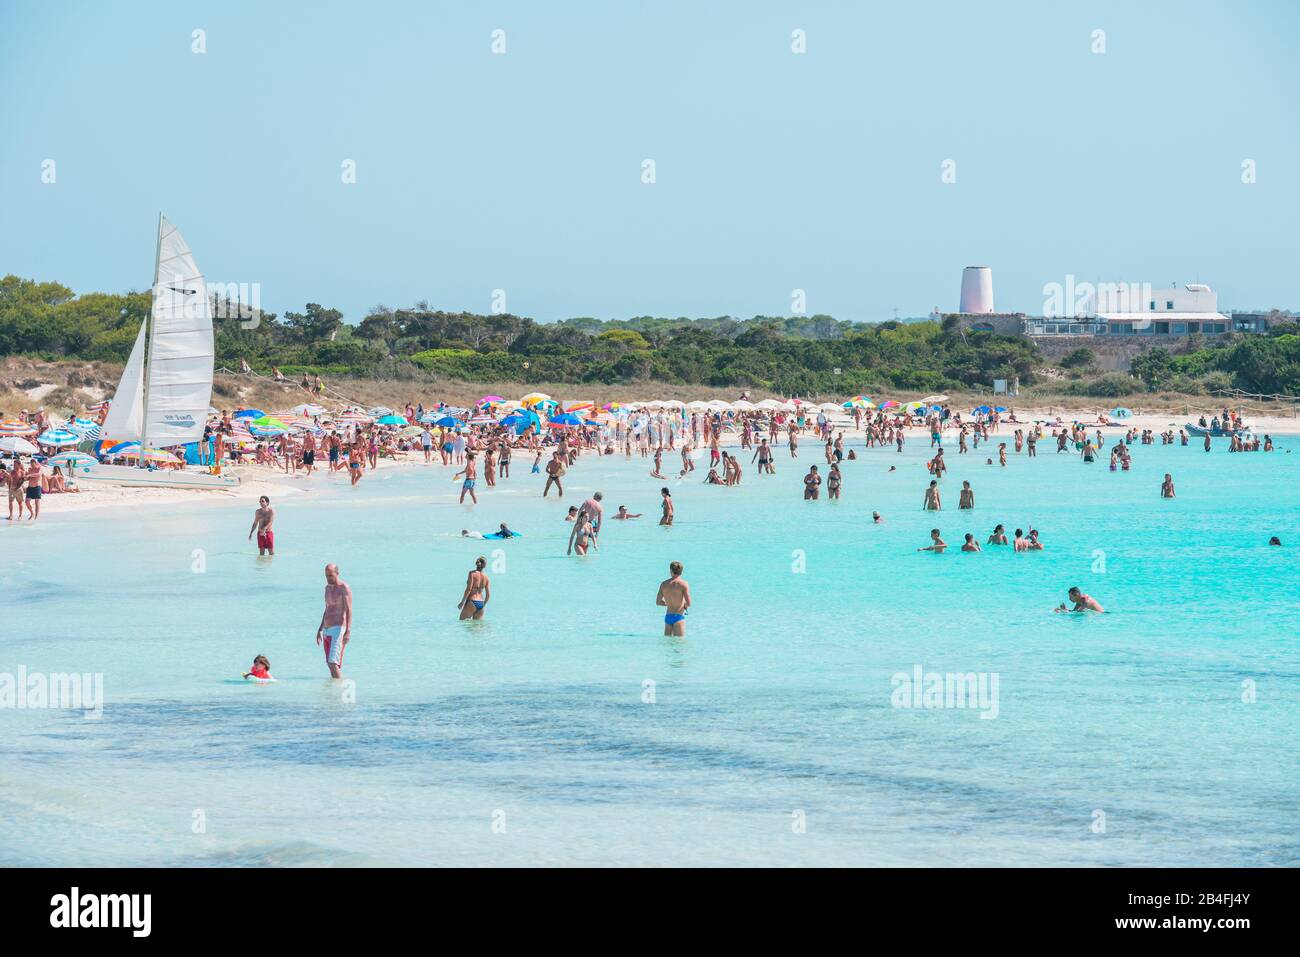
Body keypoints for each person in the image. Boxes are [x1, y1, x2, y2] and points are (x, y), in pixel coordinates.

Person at [315, 564, 353, 678]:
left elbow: (349, 610)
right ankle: (334, 692)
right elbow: (327, 609)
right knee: (329, 664)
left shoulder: (343, 588)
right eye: (326, 576)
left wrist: (348, 631)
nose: (328, 578)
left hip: (338, 629)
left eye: (331, 575)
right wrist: (320, 629)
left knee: (333, 663)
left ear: (337, 573)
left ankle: (340, 691)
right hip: (327, 629)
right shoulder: (327, 588)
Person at [656, 560, 692, 637]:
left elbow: (658, 602)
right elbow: (689, 603)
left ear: (671, 571)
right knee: (680, 645)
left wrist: (668, 604)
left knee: (668, 645)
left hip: (668, 616)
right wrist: (684, 606)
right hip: (678, 616)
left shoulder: (664, 584)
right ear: (681, 571)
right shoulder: (683, 584)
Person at [458, 556, 491, 620]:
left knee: (462, 622)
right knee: (476, 628)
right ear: (484, 565)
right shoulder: (486, 577)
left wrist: (462, 602)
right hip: (481, 603)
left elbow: (469, 589)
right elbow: (488, 595)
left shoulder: (472, 573)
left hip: (472, 601)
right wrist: (483, 605)